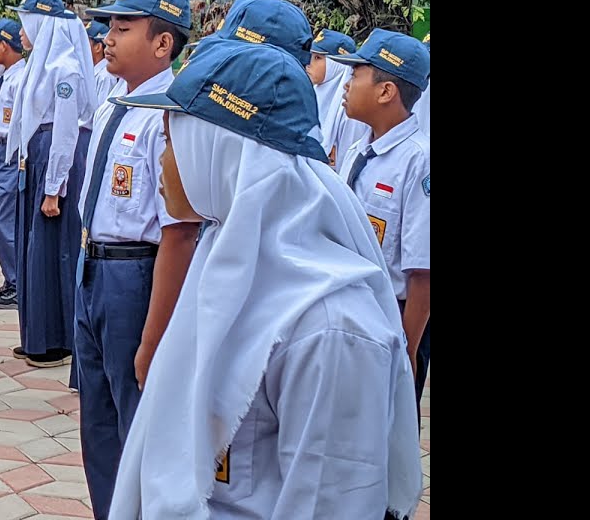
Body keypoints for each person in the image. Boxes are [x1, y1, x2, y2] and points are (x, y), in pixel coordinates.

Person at [108, 40, 423, 520]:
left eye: (172, 143)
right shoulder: (222, 260)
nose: (164, 163)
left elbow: (328, 503)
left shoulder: (331, 329)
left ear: (219, 153)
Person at [76, 0, 202, 518]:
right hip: (93, 268)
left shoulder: (169, 117)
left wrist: (153, 338)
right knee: (98, 422)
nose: (107, 37)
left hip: (136, 276)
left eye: (123, 28)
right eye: (109, 25)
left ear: (162, 43)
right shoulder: (115, 102)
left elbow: (179, 231)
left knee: (137, 423)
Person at [333, 30, 432, 407]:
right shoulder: (358, 152)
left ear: (386, 91)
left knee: (389, 425)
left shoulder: (418, 160)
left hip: (394, 318)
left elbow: (422, 269)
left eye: (355, 74)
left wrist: (407, 348)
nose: (345, 85)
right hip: (351, 311)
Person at [7, 0, 96, 367]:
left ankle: (56, 339)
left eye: (25, 22)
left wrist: (53, 189)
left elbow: (65, 132)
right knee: (34, 249)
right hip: (39, 156)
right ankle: (36, 334)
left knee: (53, 249)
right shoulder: (40, 65)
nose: (20, 32)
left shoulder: (65, 69)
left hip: (54, 161)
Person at [0, 19, 26, 310]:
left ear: (4, 45)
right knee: (3, 219)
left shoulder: (19, 78)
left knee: (5, 221)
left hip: (11, 151)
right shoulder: (7, 75)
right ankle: (12, 281)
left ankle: (16, 283)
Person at [305, 29, 359, 168]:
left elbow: (347, 161)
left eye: (318, 58)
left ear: (335, 64)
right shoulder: (310, 93)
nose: (309, 63)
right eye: (311, 56)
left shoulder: (351, 108)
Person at [86, 19, 116, 106]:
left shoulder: (105, 76)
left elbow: (99, 109)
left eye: (85, 41)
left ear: (98, 47)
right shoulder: (92, 71)